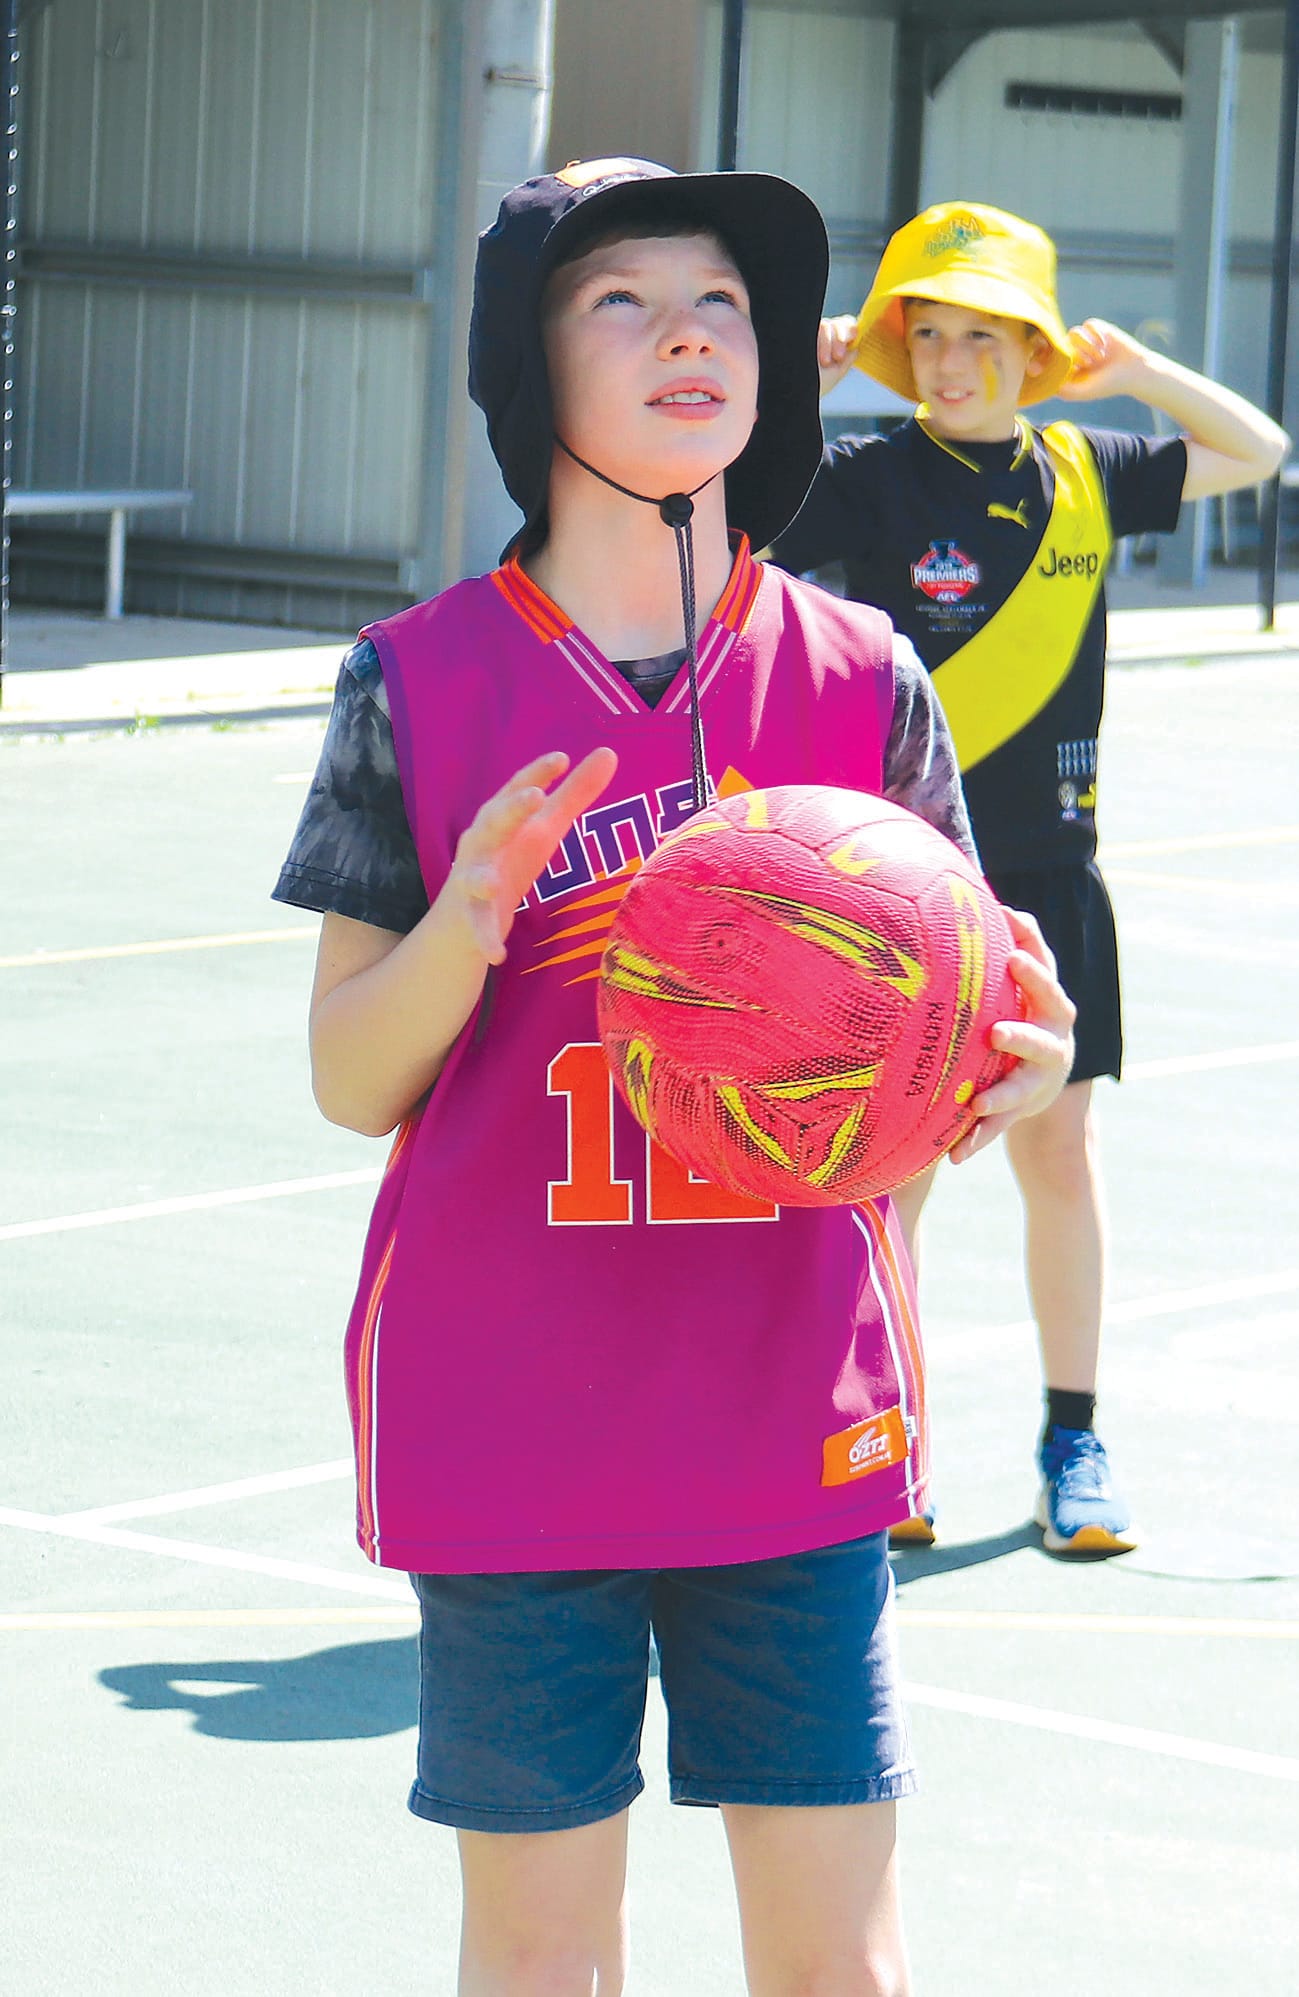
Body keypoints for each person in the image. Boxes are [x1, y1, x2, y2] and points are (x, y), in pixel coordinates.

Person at [273, 160, 1075, 1997]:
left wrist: (1008, 1075)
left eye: (720, 300)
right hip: (512, 1423)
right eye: (620, 302)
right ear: (526, 371)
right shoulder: (418, 679)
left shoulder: (863, 678)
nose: (688, 332)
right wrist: (466, 920)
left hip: (787, 1416)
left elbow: (972, 1037)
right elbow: (344, 1073)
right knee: (546, 1964)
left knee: (839, 1968)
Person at [769, 200, 1288, 1559]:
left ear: (1036, 348)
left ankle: (1075, 1438)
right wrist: (790, 382)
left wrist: (1140, 374)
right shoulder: (872, 475)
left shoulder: (1086, 467)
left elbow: (1263, 450)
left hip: (1052, 888)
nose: (950, 364)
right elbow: (720, 519)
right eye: (925, 336)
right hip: (899, 896)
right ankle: (894, 1428)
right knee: (895, 1174)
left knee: (1059, 1152)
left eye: (983, 337)